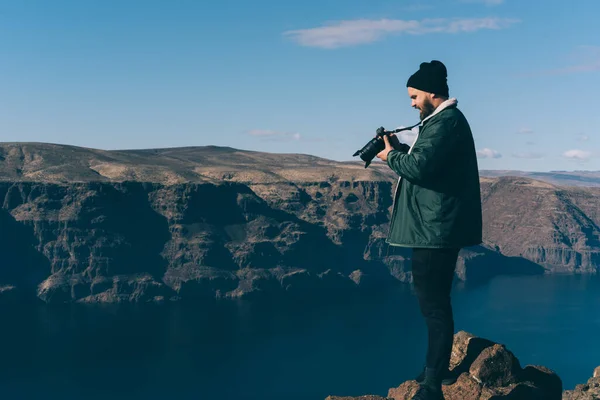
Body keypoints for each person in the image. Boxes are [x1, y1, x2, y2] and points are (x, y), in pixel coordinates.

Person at [375, 60, 483, 400]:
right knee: (432, 304)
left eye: (413, 96)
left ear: (431, 93)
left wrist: (389, 156)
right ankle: (433, 369)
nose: (411, 103)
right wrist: (402, 150)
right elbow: (432, 165)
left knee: (434, 305)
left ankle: (433, 384)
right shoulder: (440, 123)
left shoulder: (445, 123)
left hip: (435, 230)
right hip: (433, 227)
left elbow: (419, 169)